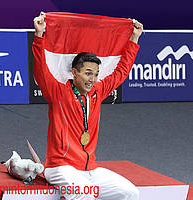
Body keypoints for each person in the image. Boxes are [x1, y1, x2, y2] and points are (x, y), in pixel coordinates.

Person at [33, 12, 143, 200]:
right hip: (61, 167)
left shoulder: (98, 92)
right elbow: (40, 67)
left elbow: (122, 71)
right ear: (74, 72)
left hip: (90, 169)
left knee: (130, 193)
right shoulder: (58, 92)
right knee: (86, 196)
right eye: (88, 73)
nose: (92, 79)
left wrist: (134, 37)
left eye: (95, 74)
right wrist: (39, 35)